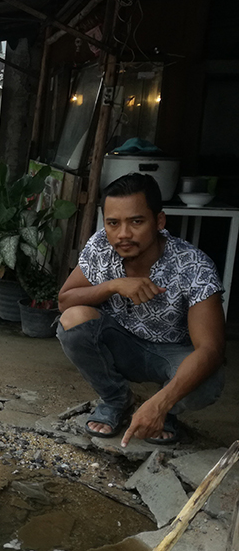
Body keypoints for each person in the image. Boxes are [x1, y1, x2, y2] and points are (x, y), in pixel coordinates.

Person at [56, 172, 226, 447]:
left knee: (209, 380)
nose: (123, 234)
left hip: (172, 356)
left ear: (159, 221)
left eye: (136, 221)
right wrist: (114, 286)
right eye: (113, 223)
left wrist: (161, 402)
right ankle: (116, 400)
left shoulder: (194, 266)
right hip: (122, 344)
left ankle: (165, 412)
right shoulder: (101, 246)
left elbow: (211, 350)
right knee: (73, 319)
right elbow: (65, 300)